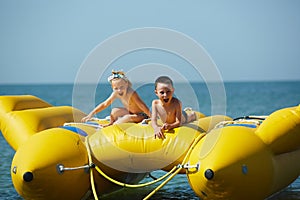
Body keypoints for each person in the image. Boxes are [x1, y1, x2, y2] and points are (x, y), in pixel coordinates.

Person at [81, 70, 151, 126]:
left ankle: (114, 125)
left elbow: (142, 105)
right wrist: (91, 114)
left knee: (127, 118)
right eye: (116, 88)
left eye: (121, 87)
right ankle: (111, 123)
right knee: (114, 111)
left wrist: (152, 117)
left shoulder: (131, 93)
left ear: (126, 84)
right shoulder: (116, 93)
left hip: (141, 115)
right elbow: (105, 104)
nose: (119, 90)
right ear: (112, 88)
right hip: (130, 112)